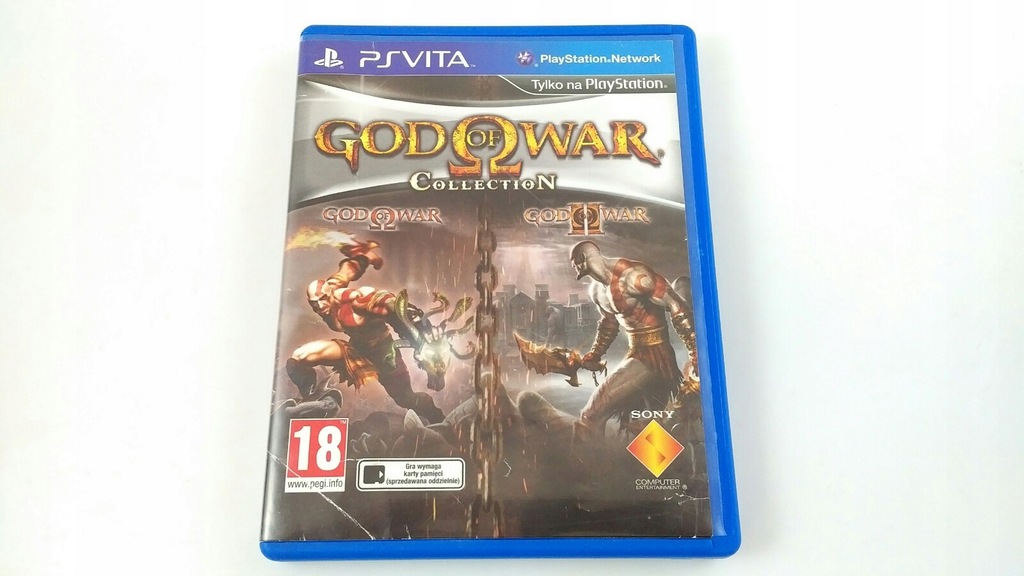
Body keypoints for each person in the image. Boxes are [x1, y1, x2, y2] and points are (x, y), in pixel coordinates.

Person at [286, 239, 444, 424]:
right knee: (298, 358)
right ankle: (311, 397)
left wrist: (420, 327)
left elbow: (392, 306)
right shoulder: (331, 287)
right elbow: (346, 271)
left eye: (322, 300)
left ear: (330, 294)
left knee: (405, 399)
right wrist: (366, 257)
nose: (320, 306)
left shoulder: (356, 302)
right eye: (314, 304)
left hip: (385, 355)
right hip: (356, 350)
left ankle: (437, 418)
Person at [569, 240, 699, 435]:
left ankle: (585, 454)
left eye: (574, 263)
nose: (574, 267)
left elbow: (676, 305)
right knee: (649, 426)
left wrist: (694, 350)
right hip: (636, 353)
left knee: (591, 414)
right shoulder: (596, 291)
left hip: (655, 357)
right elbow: (609, 323)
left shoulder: (634, 277)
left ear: (582, 258)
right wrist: (596, 353)